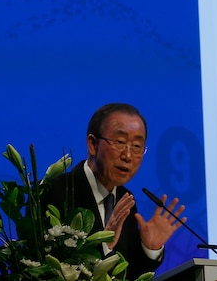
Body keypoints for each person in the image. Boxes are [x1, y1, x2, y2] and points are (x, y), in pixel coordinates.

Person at [42, 103, 185, 279]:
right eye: (120, 142)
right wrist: (103, 245)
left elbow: (129, 274)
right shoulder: (55, 192)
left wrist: (150, 248)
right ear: (93, 144)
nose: (128, 156)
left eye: (137, 146)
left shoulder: (126, 201)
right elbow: (46, 267)